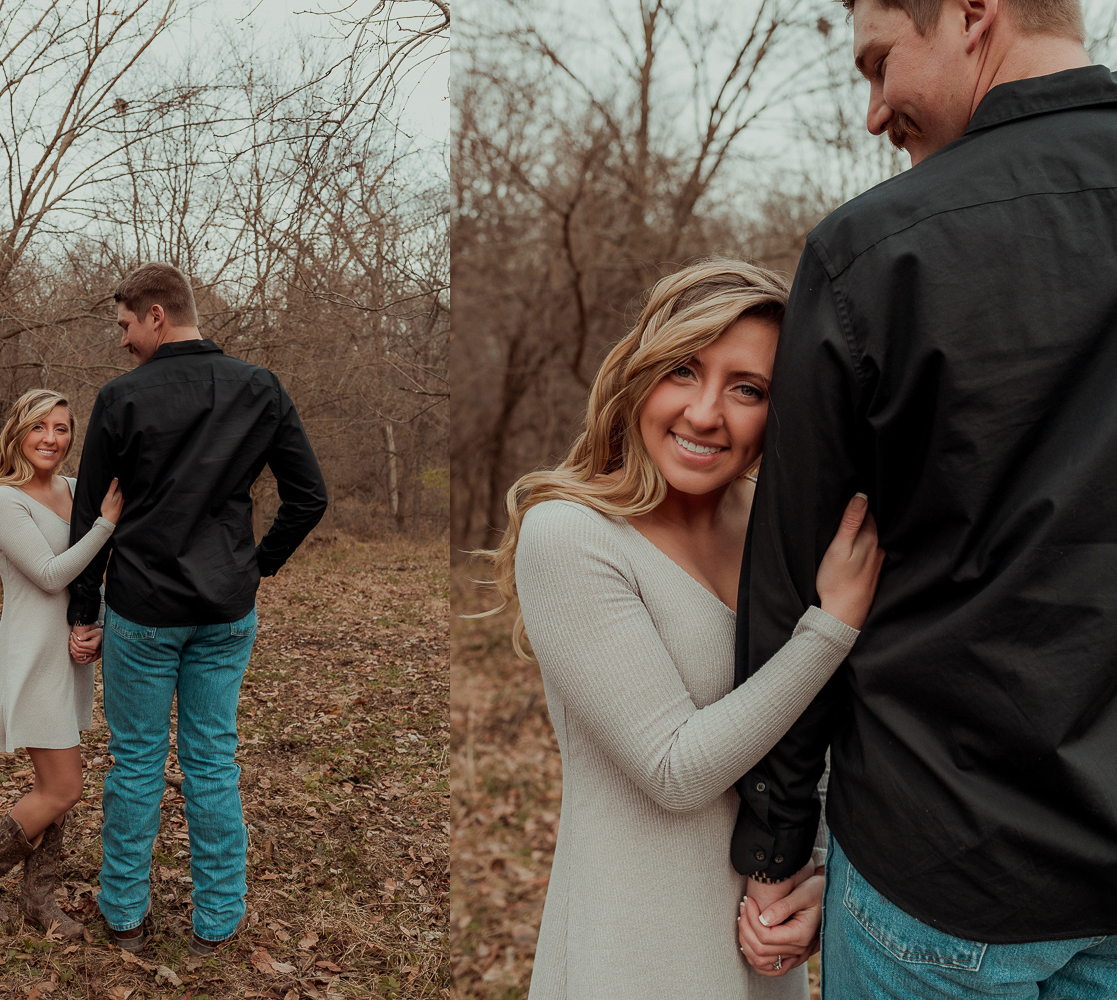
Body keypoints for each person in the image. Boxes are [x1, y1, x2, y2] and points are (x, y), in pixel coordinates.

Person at [729, 0, 1117, 994]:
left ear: (971, 15)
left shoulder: (872, 252)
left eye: (877, 63)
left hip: (934, 871)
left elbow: (793, 579)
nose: (871, 112)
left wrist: (775, 847)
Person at [478, 259, 883, 999]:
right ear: (640, 377)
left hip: (761, 944)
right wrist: (831, 628)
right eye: (683, 371)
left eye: (747, 388)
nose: (704, 413)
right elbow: (673, 769)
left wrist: (811, 874)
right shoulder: (571, 535)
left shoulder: (774, 528)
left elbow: (812, 732)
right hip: (636, 953)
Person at [65, 262, 327, 956]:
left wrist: (82, 612)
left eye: (125, 324)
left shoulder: (120, 398)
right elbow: (309, 497)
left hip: (142, 610)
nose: (122, 339)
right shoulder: (259, 387)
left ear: (157, 315)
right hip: (224, 609)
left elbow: (90, 514)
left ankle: (125, 916)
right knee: (212, 761)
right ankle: (216, 922)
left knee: (136, 762)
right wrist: (255, 566)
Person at [0, 388, 124, 938]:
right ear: (18, 431)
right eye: (39, 426)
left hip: (70, 654)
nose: (51, 438)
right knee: (63, 788)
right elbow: (52, 575)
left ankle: (38, 899)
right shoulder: (3, 499)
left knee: (55, 785)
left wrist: (95, 624)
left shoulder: (76, 490)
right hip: (31, 654)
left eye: (61, 428)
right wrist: (105, 525)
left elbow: (89, 577)